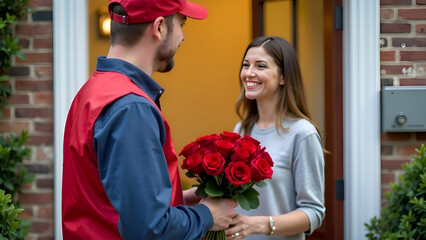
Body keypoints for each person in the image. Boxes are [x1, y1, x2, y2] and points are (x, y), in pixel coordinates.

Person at [61, 0, 236, 239]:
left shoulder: (93, 91)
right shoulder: (131, 107)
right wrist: (206, 216)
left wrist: (177, 200)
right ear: (159, 28)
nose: (183, 37)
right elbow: (149, 229)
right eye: (182, 25)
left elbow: (108, 199)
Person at [225, 36, 326, 240]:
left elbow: (313, 213)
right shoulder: (242, 129)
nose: (249, 73)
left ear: (283, 77)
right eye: (246, 65)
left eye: (261, 66)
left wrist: (258, 225)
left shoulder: (302, 133)